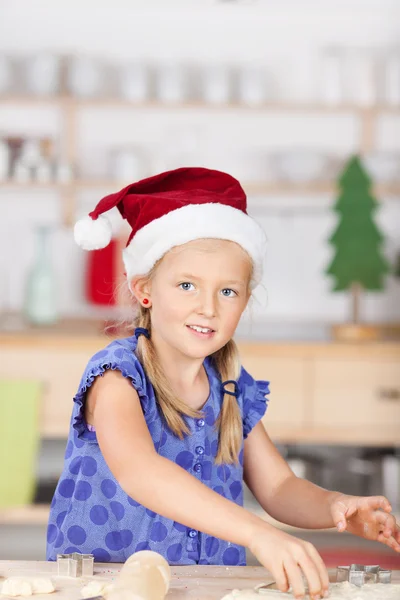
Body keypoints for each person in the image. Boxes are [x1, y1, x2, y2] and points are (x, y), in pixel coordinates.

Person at [47, 167, 399, 600]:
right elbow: (141, 472)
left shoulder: (232, 385)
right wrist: (258, 534)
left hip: (208, 590)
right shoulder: (117, 376)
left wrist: (334, 507)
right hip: (104, 589)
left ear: (245, 299)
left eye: (227, 292)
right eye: (187, 285)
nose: (208, 308)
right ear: (144, 290)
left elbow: (279, 487)